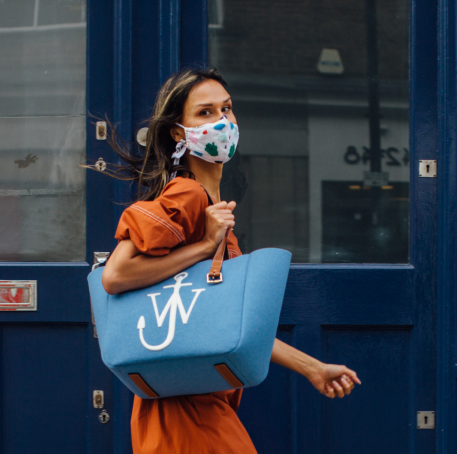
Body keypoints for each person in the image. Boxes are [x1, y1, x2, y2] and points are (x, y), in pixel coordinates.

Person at [91, 67, 361, 454]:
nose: (222, 121)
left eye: (227, 109)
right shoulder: (187, 195)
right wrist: (204, 247)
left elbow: (225, 326)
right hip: (184, 409)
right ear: (178, 133)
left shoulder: (211, 204)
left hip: (193, 401)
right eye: (205, 112)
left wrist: (312, 368)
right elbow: (115, 275)